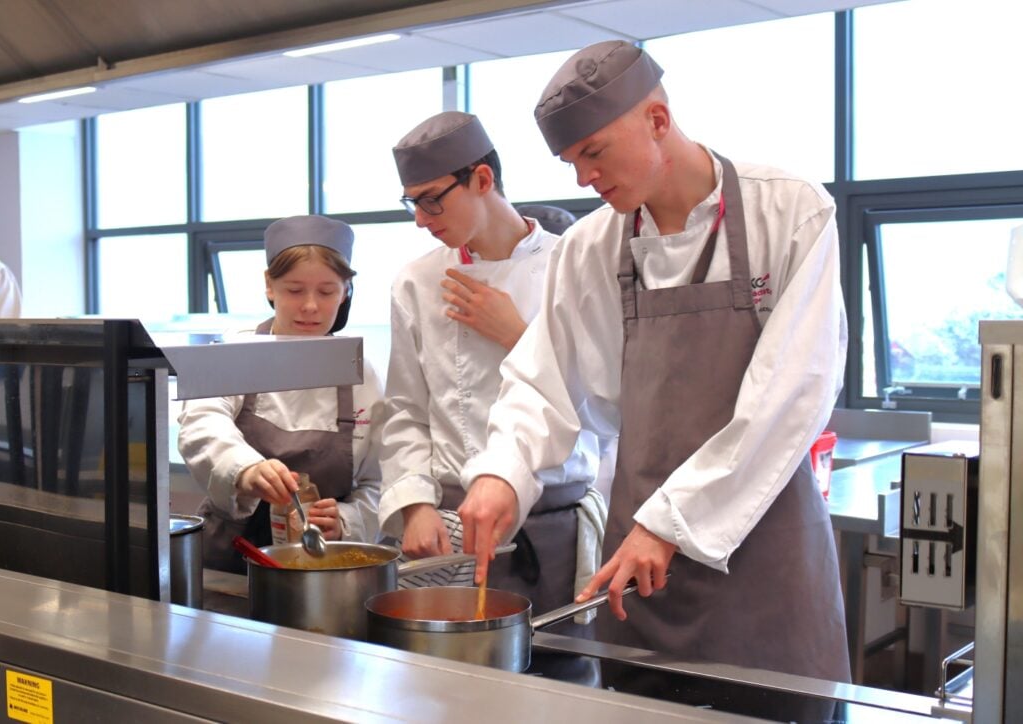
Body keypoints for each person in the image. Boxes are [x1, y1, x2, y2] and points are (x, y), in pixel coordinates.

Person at [457, 40, 851, 688]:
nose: (583, 178)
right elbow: (542, 380)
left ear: (658, 122)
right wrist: (503, 472)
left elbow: (789, 395)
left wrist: (670, 523)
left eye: (593, 153)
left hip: (768, 571)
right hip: (636, 578)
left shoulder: (791, 212)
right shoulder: (591, 248)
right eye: (570, 161)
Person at [377, 111, 606, 656]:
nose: (421, 219)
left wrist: (519, 335)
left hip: (554, 527)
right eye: (412, 203)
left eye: (432, 199)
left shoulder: (570, 265)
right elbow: (406, 409)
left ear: (482, 180)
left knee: (560, 681)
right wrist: (414, 505)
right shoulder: (417, 281)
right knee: (449, 683)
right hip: (450, 525)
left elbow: (604, 406)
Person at [178, 215, 384, 573]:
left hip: (323, 566)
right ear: (269, 286)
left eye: (326, 291)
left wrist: (348, 520)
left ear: (346, 290)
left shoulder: (361, 373)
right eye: (294, 289)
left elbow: (380, 480)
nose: (310, 306)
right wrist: (246, 469)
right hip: (230, 559)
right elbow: (200, 424)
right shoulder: (235, 351)